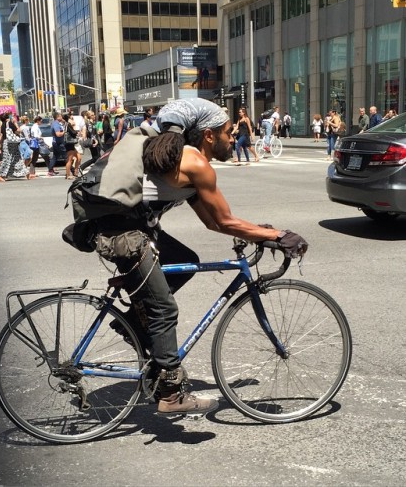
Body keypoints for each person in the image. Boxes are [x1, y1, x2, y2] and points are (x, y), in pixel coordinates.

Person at [87, 98, 308, 416]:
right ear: (208, 135)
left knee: (184, 261)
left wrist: (259, 232)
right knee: (164, 309)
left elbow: (214, 222)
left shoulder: (184, 160)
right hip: (121, 230)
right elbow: (226, 221)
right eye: (228, 132)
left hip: (126, 224)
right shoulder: (193, 162)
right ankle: (171, 395)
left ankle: (136, 325)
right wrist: (277, 236)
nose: (233, 138)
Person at [63, 113, 79, 179]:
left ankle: (75, 172)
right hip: (69, 143)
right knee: (69, 159)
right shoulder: (68, 125)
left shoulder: (66, 125)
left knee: (79, 157)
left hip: (70, 143)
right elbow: (73, 132)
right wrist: (76, 130)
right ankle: (68, 174)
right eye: (71, 118)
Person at [50, 111, 65, 177]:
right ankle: (72, 170)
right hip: (58, 142)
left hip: (56, 142)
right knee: (66, 157)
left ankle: (50, 170)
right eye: (61, 116)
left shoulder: (57, 123)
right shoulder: (56, 124)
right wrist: (64, 132)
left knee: (55, 157)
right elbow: (58, 134)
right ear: (57, 117)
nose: (62, 117)